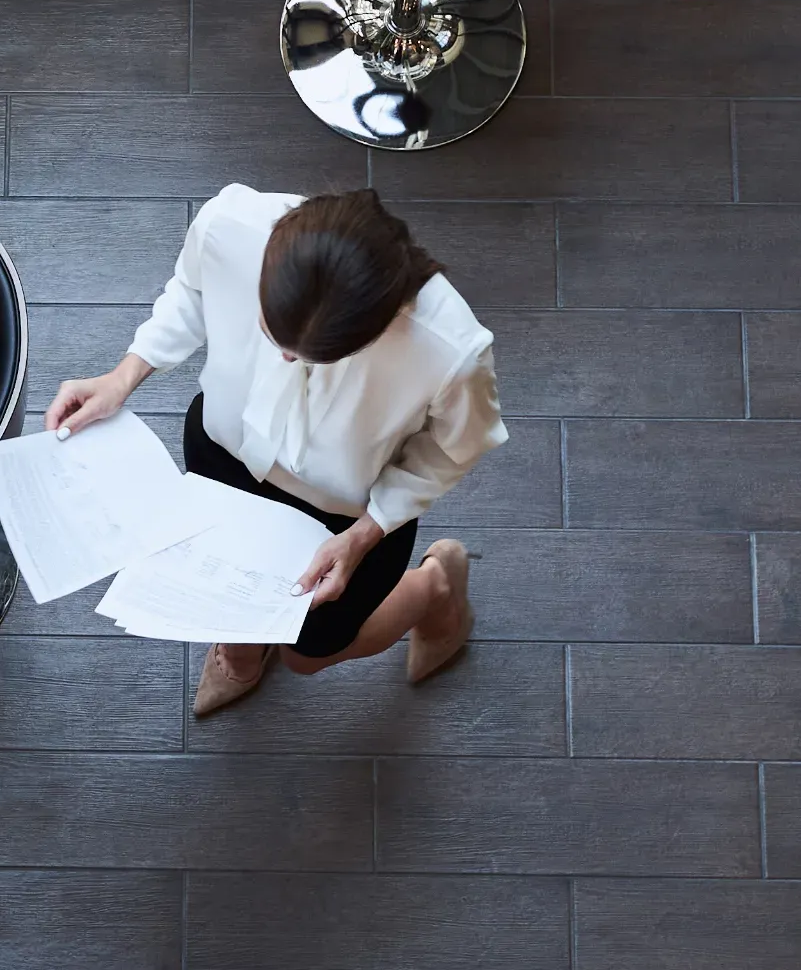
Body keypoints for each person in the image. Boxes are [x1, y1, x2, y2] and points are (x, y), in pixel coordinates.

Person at [46, 186, 503, 716]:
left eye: (314, 357)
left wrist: (364, 535)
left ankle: (434, 585)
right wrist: (123, 377)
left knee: (310, 654)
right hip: (222, 454)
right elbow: (193, 292)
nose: (284, 357)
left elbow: (452, 449)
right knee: (221, 594)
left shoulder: (451, 349)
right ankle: (241, 650)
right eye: (271, 332)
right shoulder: (230, 225)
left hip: (345, 515)